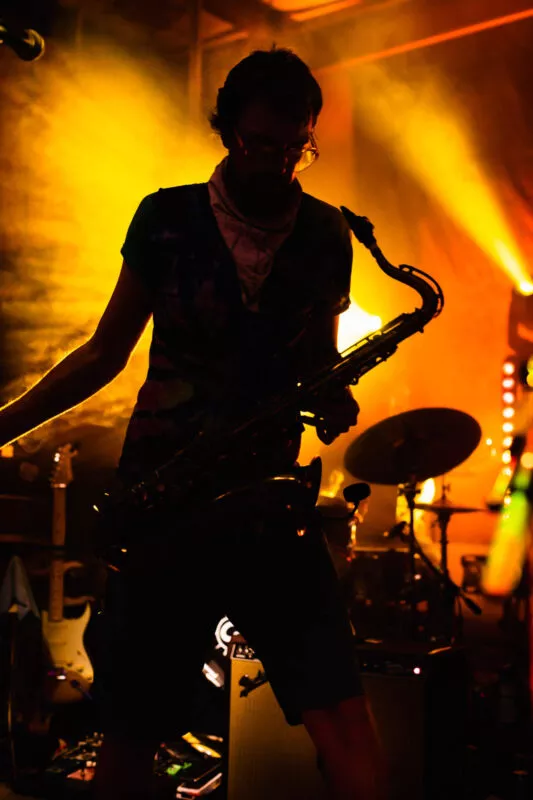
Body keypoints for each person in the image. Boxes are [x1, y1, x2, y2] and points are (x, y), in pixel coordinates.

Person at [0, 47, 386, 800]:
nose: (278, 163)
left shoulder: (325, 233)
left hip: (269, 501)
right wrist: (5, 422)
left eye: (294, 147)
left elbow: (318, 361)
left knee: (342, 712)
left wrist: (335, 401)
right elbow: (106, 352)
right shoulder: (166, 217)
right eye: (259, 144)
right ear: (225, 131)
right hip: (166, 503)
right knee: (133, 729)